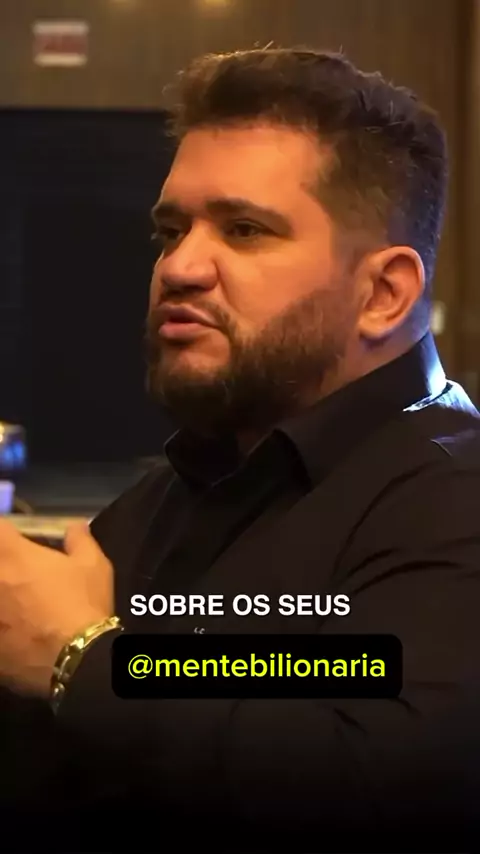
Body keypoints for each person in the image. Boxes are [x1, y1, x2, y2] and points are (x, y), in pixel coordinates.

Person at [0, 47, 480, 853]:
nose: (179, 266)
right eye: (170, 231)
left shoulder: (453, 498)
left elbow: (384, 772)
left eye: (245, 230)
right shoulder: (182, 489)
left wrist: (79, 658)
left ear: (384, 293)